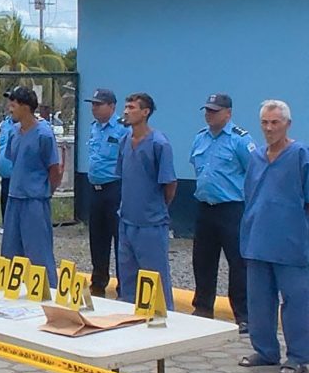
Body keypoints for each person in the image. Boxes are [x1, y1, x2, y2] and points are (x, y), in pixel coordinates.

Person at [238, 100, 309, 373]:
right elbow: (250, 195)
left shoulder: (300, 154)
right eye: (265, 123)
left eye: (275, 122)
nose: (269, 128)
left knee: (296, 301)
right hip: (257, 240)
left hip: (291, 243)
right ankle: (265, 351)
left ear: (287, 125)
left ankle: (299, 356)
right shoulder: (256, 157)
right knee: (259, 301)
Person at [190, 94, 255, 333]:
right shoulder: (200, 138)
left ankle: (243, 315)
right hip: (205, 207)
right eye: (207, 110)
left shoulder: (240, 140)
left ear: (228, 113)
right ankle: (203, 309)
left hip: (232, 209)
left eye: (215, 111)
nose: (209, 114)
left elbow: (253, 174)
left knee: (238, 264)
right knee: (203, 261)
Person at [117, 93, 176, 310]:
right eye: (126, 107)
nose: (126, 111)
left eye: (131, 107)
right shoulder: (124, 141)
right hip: (126, 221)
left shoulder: (159, 144)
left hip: (151, 223)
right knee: (128, 280)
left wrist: (157, 209)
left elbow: (169, 184)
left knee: (155, 279)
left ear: (145, 112)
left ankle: (164, 324)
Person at [0, 86, 62, 288]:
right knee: (11, 250)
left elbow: (54, 168)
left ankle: (48, 290)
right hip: (15, 197)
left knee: (38, 251)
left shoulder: (44, 134)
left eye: (14, 104)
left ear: (26, 107)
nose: (10, 108)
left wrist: (46, 192)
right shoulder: (15, 133)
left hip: (34, 199)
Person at [84, 88, 128, 297]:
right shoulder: (94, 128)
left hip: (115, 188)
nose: (94, 108)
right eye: (93, 104)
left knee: (119, 239)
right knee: (97, 239)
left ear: (112, 106)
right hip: (95, 189)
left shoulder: (122, 129)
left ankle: (123, 287)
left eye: (98, 104)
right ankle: (98, 282)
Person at [0, 113, 14, 235]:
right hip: (5, 172)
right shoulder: (6, 123)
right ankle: (6, 224)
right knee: (4, 198)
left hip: (17, 173)